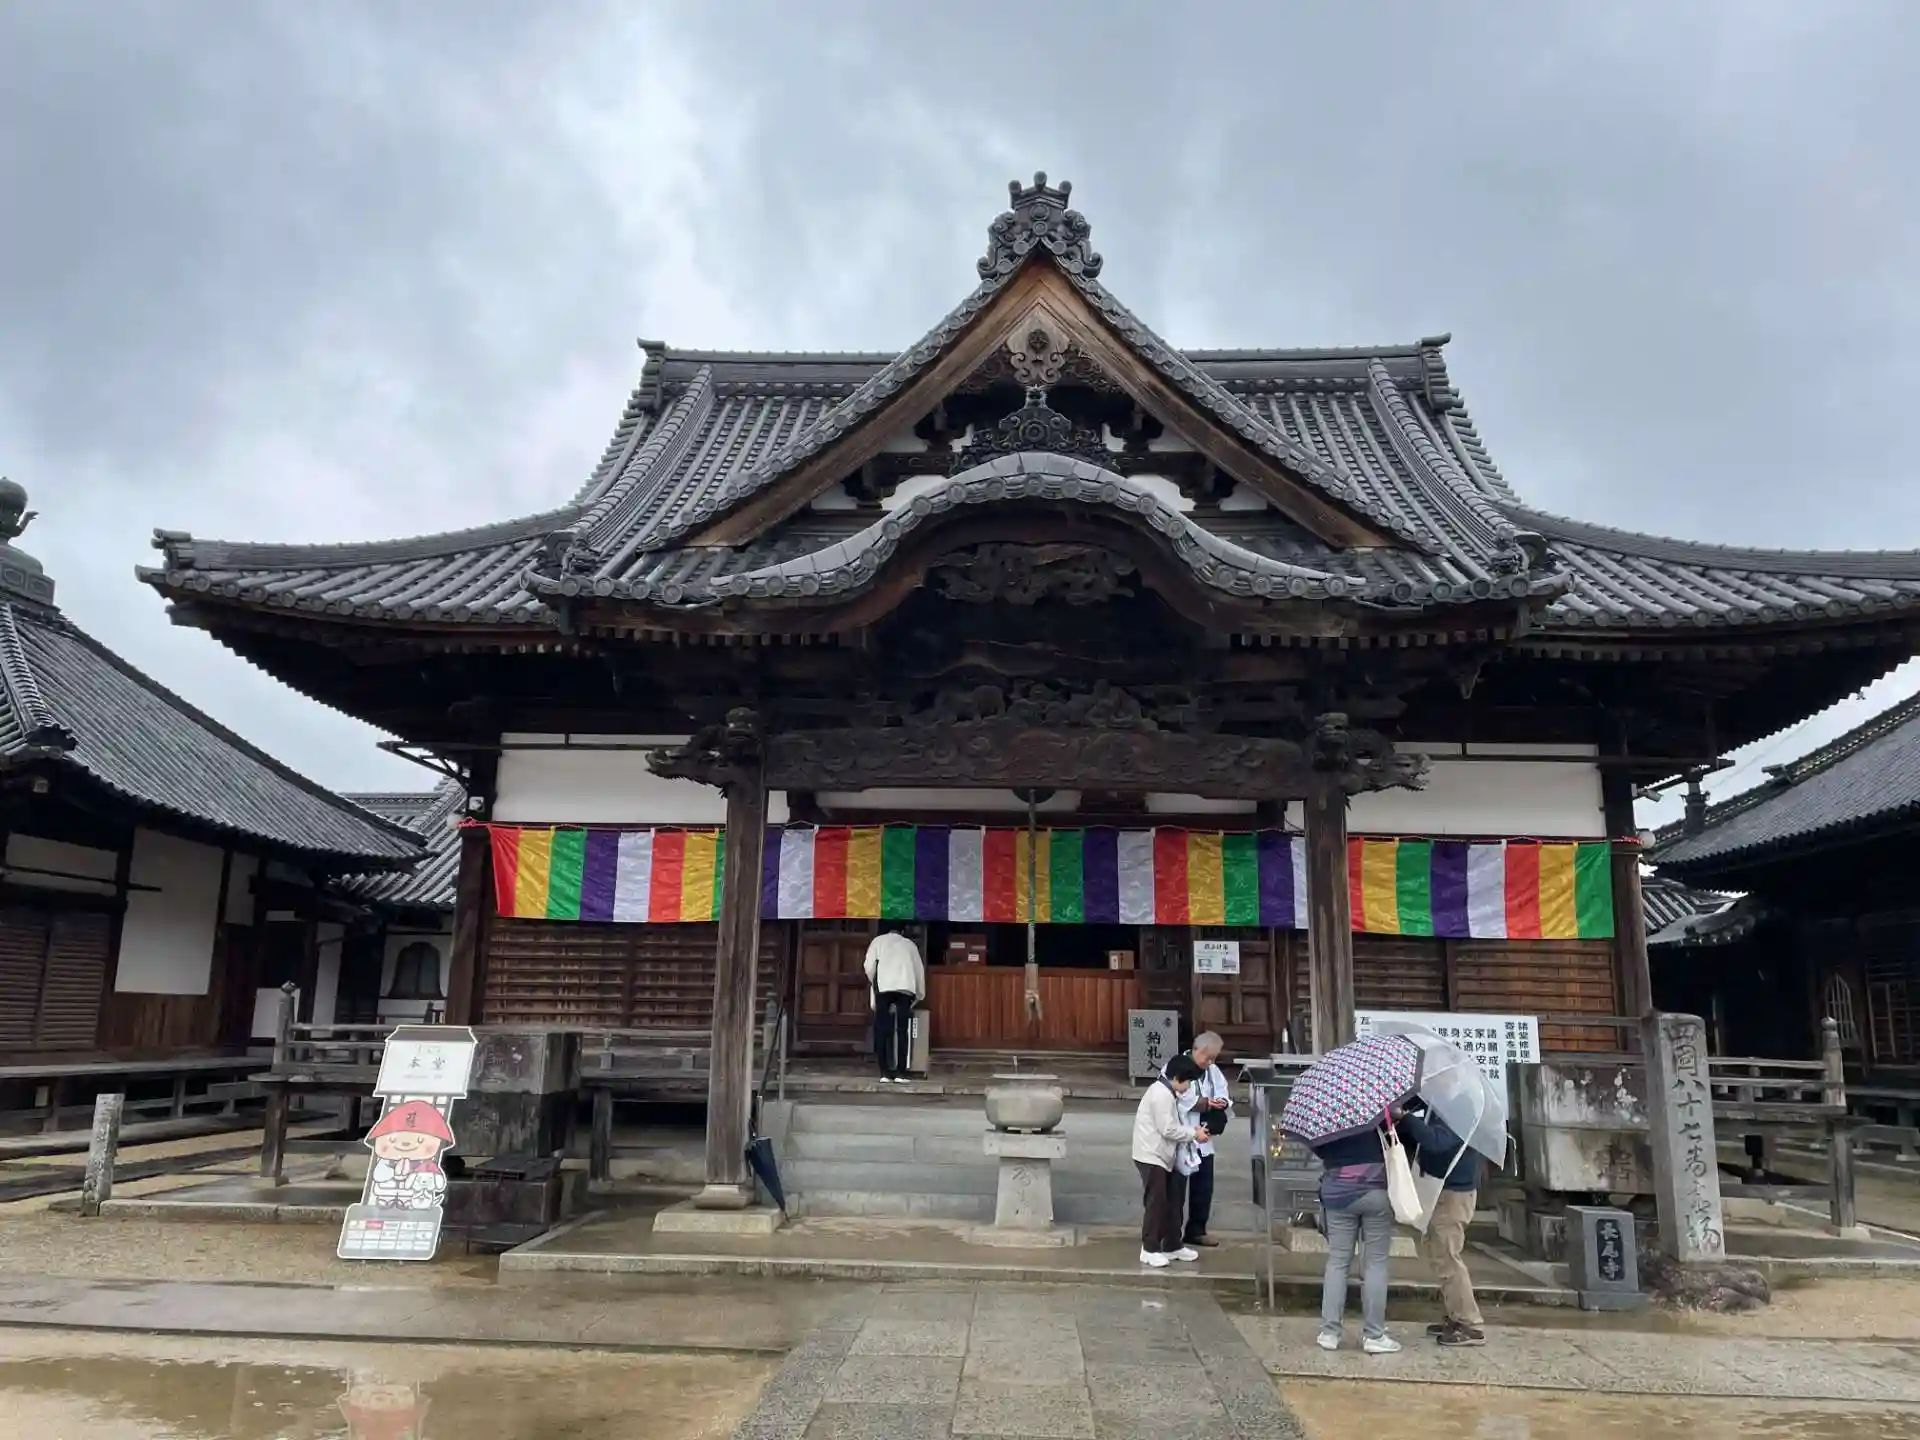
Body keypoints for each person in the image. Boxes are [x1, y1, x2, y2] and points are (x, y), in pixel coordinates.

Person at [1313, 1114, 1402, 1354]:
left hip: (1338, 1193)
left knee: (1338, 1261)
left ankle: (1329, 1333)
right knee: (1375, 1263)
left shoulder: (1326, 1113)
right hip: (1375, 1191)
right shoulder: (1379, 1111)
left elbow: (1318, 1148)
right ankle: (1374, 1335)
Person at [1399, 1102, 1486, 1347]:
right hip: (1439, 1188)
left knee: (1448, 1256)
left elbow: (1437, 1141)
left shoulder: (1463, 1106)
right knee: (1438, 1253)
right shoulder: (1438, 1104)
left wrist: (1406, 1119)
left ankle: (1470, 1324)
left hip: (1454, 1193)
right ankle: (1456, 1316)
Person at [1132, 1053, 1211, 1268]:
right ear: (1177, 1078)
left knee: (1172, 1201)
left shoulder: (1167, 1092)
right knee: (1156, 1202)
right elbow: (1167, 1129)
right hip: (1151, 1155)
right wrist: (1194, 1134)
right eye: (1188, 1082)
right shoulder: (1161, 1095)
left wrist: (1192, 1131)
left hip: (1162, 1154)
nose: (1188, 1087)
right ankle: (1149, 1249)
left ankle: (1172, 1244)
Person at [1161, 1031, 1233, 1247]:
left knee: (1203, 1187)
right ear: (1196, 1049)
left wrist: (1220, 1104)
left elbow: (1223, 1093)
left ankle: (1197, 1230)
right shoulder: (1175, 1066)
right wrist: (1206, 1103)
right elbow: (1180, 1098)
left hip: (1203, 1136)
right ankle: (1171, 1235)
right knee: (1176, 1189)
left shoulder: (1213, 1071)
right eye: (1207, 1057)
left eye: (1213, 1058)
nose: (1209, 1062)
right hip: (1181, 1134)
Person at [863, 924, 925, 1084]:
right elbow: (919, 970)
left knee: (882, 1029)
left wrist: (875, 982)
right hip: (905, 988)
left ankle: (884, 1072)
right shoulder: (910, 945)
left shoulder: (878, 941)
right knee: (902, 1030)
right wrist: (919, 994)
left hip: (884, 988)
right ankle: (901, 1072)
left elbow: (868, 966)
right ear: (903, 931)